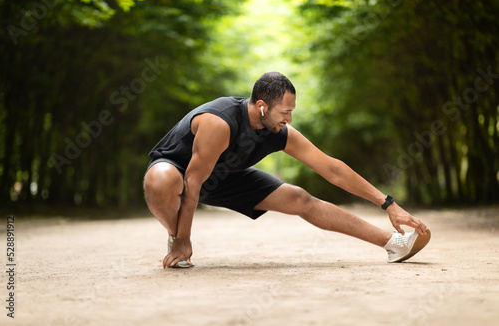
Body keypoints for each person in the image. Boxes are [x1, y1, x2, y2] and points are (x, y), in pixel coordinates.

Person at [143, 72, 430, 269]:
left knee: (300, 199)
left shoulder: (278, 130)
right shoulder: (220, 122)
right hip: (180, 171)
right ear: (262, 106)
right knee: (160, 179)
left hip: (223, 177)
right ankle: (175, 237)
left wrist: (388, 203)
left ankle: (394, 244)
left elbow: (332, 168)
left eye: (291, 111)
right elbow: (193, 180)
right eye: (284, 112)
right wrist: (183, 239)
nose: (289, 119)